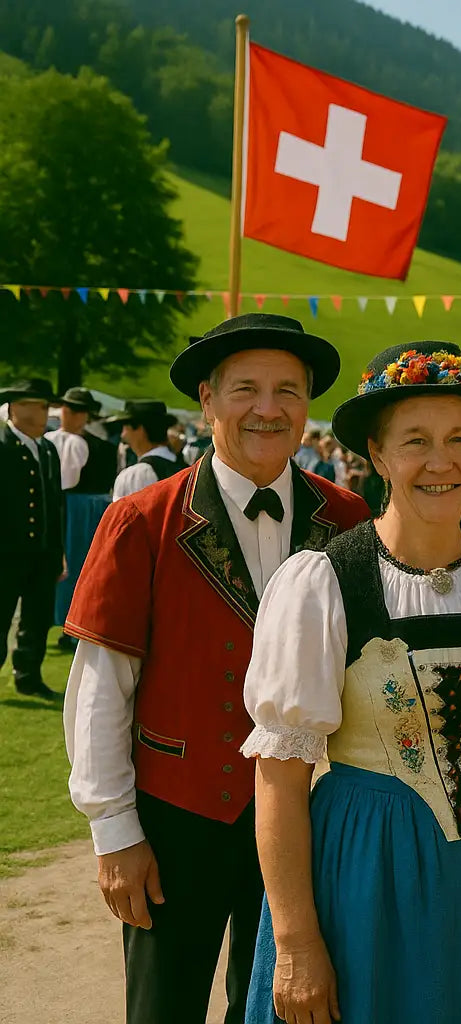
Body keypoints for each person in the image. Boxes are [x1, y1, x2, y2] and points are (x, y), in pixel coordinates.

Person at [241, 341, 461, 1023]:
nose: (442, 461)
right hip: (370, 865)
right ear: (377, 455)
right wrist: (296, 941)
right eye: (416, 441)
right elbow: (280, 774)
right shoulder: (324, 583)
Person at [62, 313, 371, 1024]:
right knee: (162, 1009)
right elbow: (100, 689)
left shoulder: (350, 519)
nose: (268, 408)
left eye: (287, 391)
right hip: (177, 819)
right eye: (246, 389)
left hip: (310, 819)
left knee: (287, 1006)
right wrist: (114, 830)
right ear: (207, 400)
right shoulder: (143, 519)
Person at [1, 378, 66, 699]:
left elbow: (54, 503)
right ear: (17, 406)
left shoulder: (47, 449)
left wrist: (58, 551)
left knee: (37, 620)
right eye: (40, 406)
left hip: (42, 552)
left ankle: (29, 676)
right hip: (6, 553)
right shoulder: (1, 444)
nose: (46, 413)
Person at [48, 387, 117, 649]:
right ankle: (54, 619)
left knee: (82, 566)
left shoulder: (100, 447)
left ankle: (76, 625)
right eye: (68, 408)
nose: (71, 415)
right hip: (62, 507)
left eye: (78, 411)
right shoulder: (49, 440)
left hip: (85, 511)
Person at [109, 400, 184, 500]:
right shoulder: (188, 470)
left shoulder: (133, 476)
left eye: (125, 427)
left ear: (140, 429)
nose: (123, 434)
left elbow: (123, 515)